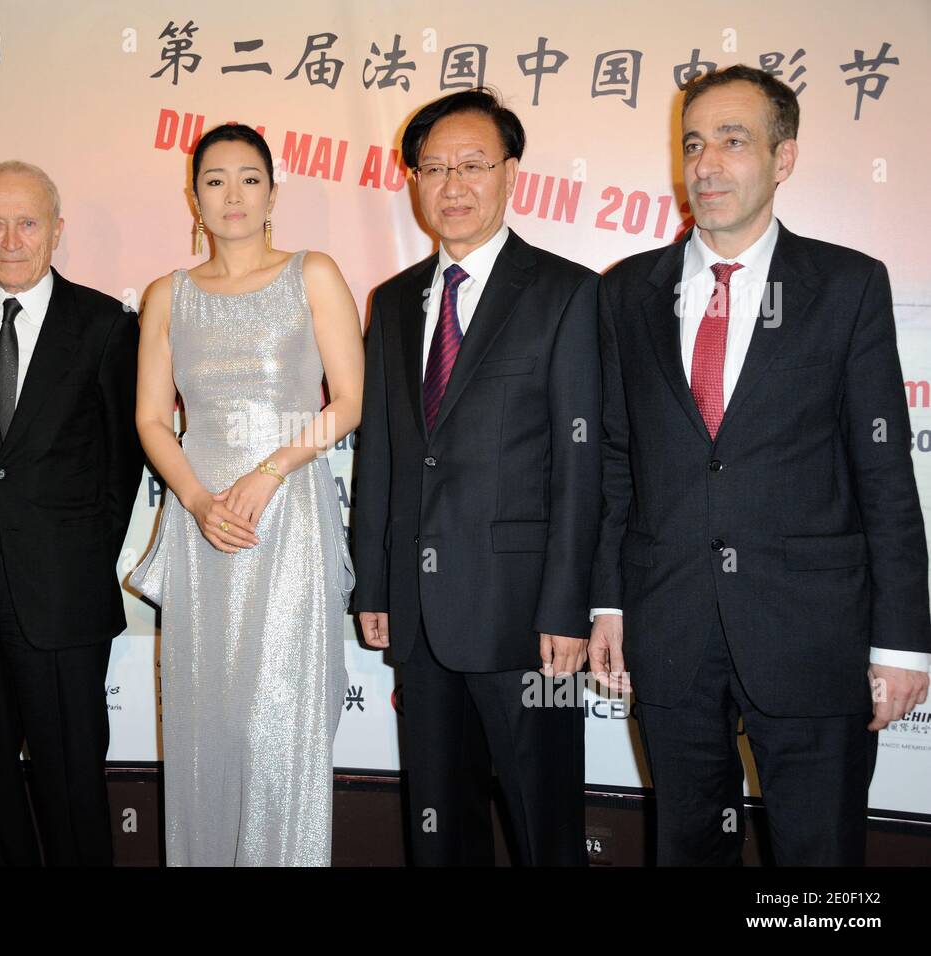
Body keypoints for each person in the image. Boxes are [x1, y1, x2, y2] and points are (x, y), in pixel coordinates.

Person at [588, 65, 931, 865]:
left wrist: (904, 644)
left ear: (783, 160)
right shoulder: (627, 292)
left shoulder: (847, 286)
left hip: (813, 632)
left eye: (733, 141)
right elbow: (613, 458)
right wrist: (608, 600)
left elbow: (883, 472)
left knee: (818, 859)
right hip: (668, 623)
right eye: (693, 143)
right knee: (688, 842)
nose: (706, 163)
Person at [353, 88, 600, 866]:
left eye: (472, 165)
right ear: (414, 182)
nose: (452, 186)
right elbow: (383, 455)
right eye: (433, 168)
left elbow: (582, 463)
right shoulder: (390, 303)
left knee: (543, 813)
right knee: (437, 819)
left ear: (511, 173)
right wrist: (375, 585)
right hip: (420, 616)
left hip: (532, 620)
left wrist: (569, 607)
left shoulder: (568, 293)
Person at [129, 123, 363, 866]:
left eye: (250, 178)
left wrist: (270, 471)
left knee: (281, 719)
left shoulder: (313, 273)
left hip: (287, 516)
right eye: (215, 179)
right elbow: (149, 417)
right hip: (204, 524)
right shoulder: (168, 294)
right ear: (192, 196)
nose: (233, 194)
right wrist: (198, 502)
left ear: (272, 191)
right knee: (208, 724)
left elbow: (348, 402)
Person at [0, 160, 143, 866]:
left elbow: (122, 463)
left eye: (27, 222)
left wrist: (78, 556)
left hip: (63, 594)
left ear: (56, 230)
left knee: (71, 779)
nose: (11, 239)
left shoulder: (106, 323)